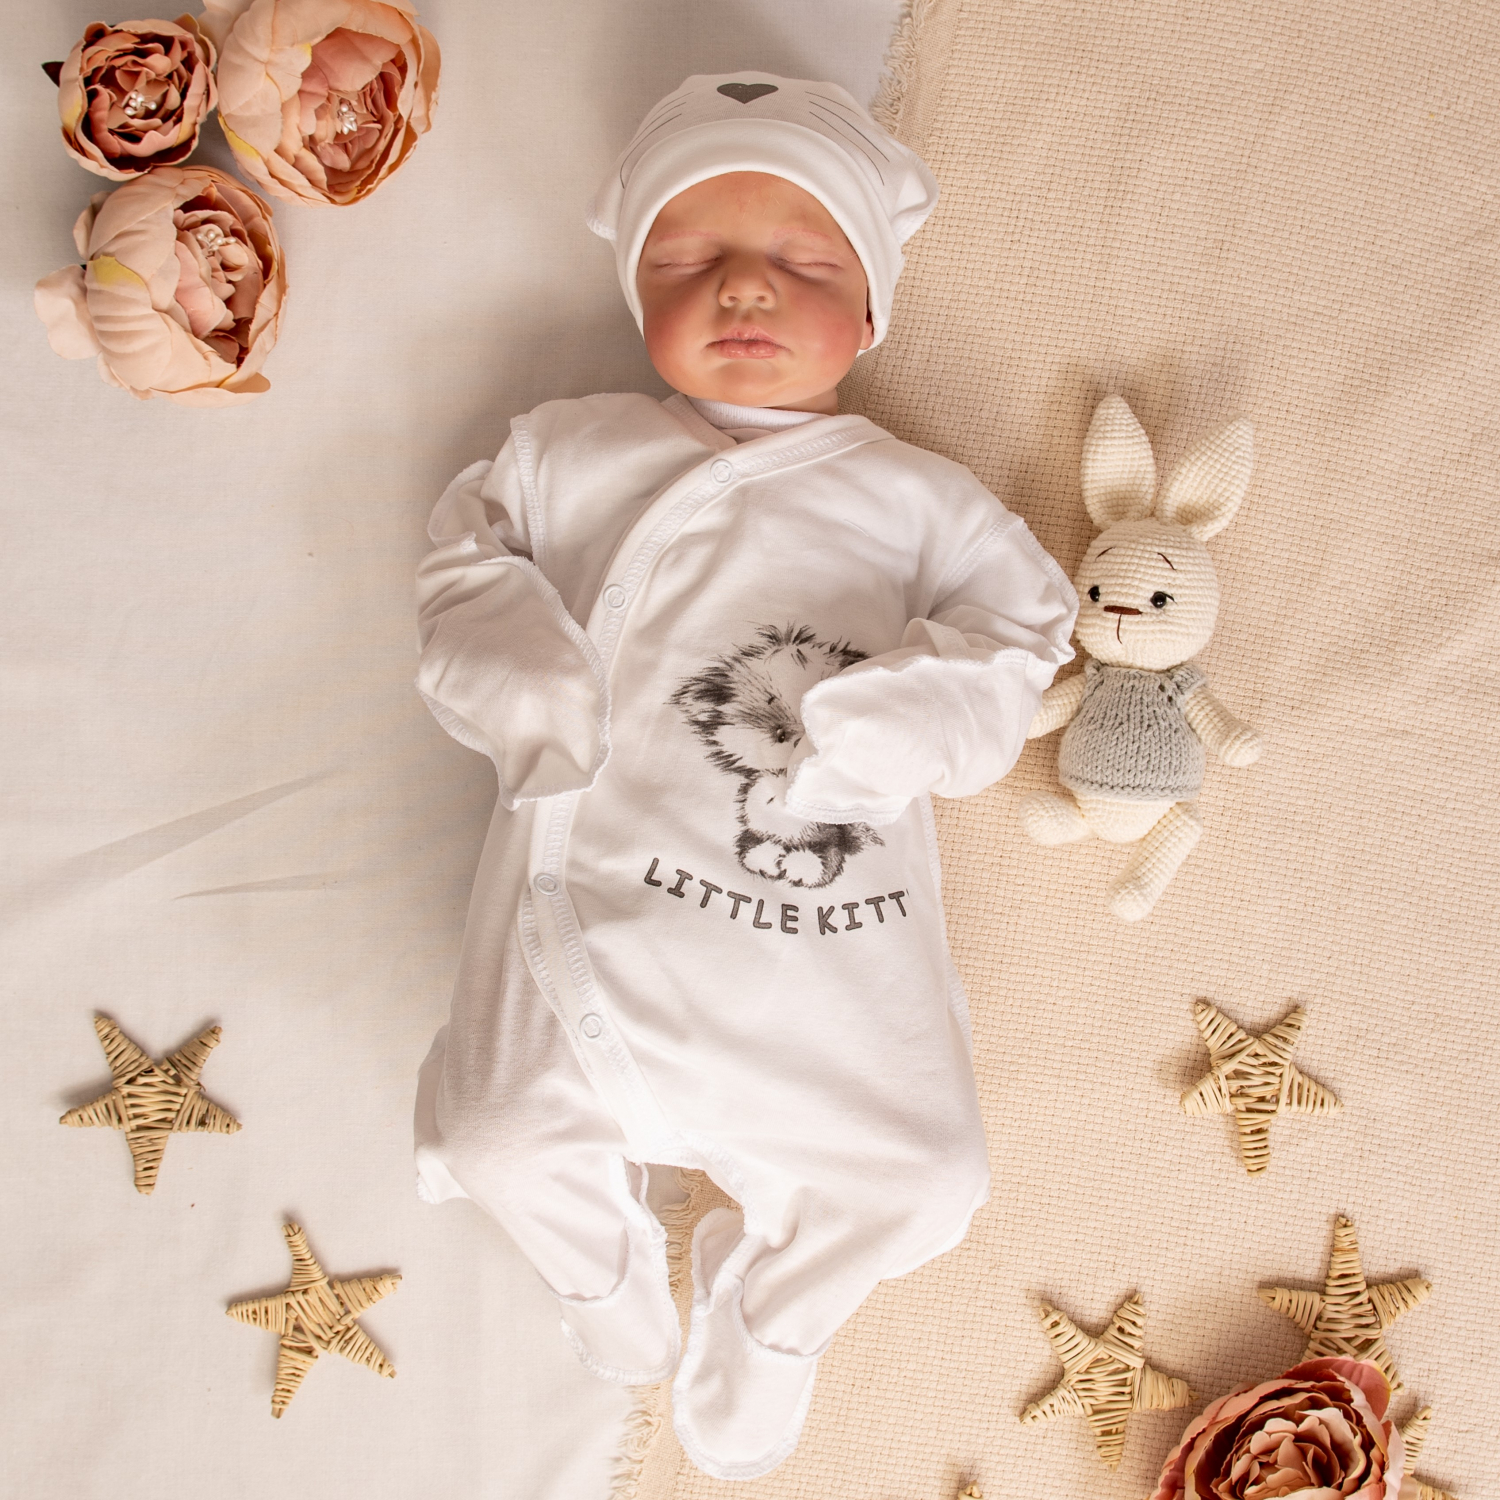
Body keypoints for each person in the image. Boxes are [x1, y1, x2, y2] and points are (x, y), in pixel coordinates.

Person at [411, 73, 1077, 1481]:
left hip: (817, 954)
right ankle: (603, 1276)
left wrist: (901, 720)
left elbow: (1029, 632)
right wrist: (524, 676)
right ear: (635, 289)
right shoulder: (571, 450)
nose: (744, 290)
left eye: (805, 262)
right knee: (493, 1131)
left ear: (873, 310)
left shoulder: (918, 499)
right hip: (593, 913)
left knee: (931, 1175)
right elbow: (464, 560)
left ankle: (774, 1311)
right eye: (686, 259)